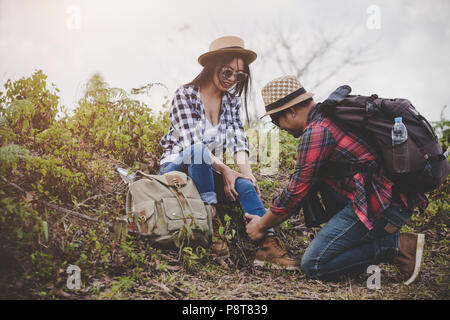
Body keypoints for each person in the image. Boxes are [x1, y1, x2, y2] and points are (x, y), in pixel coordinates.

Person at [245, 75, 428, 284]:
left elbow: (295, 193)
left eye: (277, 121)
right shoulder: (329, 119)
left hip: (378, 204)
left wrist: (261, 226)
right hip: (389, 199)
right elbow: (300, 187)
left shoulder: (317, 131)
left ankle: (396, 247)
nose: (281, 128)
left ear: (291, 111)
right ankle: (382, 242)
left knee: (314, 264)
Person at [159, 36, 299, 270]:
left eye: (239, 75)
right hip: (178, 170)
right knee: (198, 150)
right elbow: (191, 144)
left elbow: (238, 141)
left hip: (204, 171)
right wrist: (225, 170)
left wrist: (247, 175)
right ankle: (211, 224)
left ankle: (268, 244)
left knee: (243, 185)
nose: (232, 80)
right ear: (213, 67)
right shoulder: (185, 95)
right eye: (227, 72)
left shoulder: (231, 102)